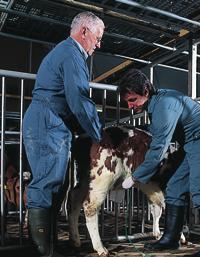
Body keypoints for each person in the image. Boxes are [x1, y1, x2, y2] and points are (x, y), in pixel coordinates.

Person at [23, 12, 104, 257]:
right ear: (84, 32)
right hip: (47, 122)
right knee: (48, 183)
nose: (99, 45)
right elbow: (78, 99)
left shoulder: (67, 52)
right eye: (98, 38)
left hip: (52, 122)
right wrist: (100, 135)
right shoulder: (72, 55)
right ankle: (42, 252)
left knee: (58, 184)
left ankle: (48, 246)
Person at [119, 69, 200, 257]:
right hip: (189, 142)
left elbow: (158, 149)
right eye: (127, 102)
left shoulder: (165, 105)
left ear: (146, 91)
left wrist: (135, 177)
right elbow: (159, 128)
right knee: (174, 187)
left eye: (132, 100)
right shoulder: (155, 104)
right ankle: (171, 238)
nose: (129, 106)